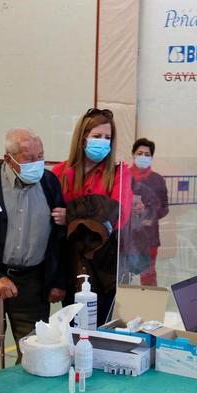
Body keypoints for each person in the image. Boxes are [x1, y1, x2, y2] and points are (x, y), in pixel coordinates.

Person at [0, 128, 66, 375]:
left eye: (41, 156)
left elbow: (59, 236)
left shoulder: (49, 183)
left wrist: (56, 279)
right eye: (29, 158)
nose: (37, 163)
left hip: (33, 284)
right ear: (9, 158)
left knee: (34, 354)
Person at [52, 108, 132, 325]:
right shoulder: (59, 173)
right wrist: (95, 213)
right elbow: (51, 218)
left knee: (100, 328)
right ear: (82, 138)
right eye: (97, 136)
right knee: (73, 328)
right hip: (68, 264)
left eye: (108, 137)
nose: (103, 142)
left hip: (105, 268)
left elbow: (118, 215)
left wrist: (71, 214)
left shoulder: (120, 173)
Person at [127, 137, 169, 286]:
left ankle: (148, 308)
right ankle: (122, 307)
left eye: (147, 154)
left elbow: (164, 207)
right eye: (140, 153)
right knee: (123, 274)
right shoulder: (123, 176)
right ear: (133, 154)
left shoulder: (157, 180)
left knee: (148, 275)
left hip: (149, 236)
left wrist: (149, 212)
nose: (143, 157)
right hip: (126, 235)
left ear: (152, 157)